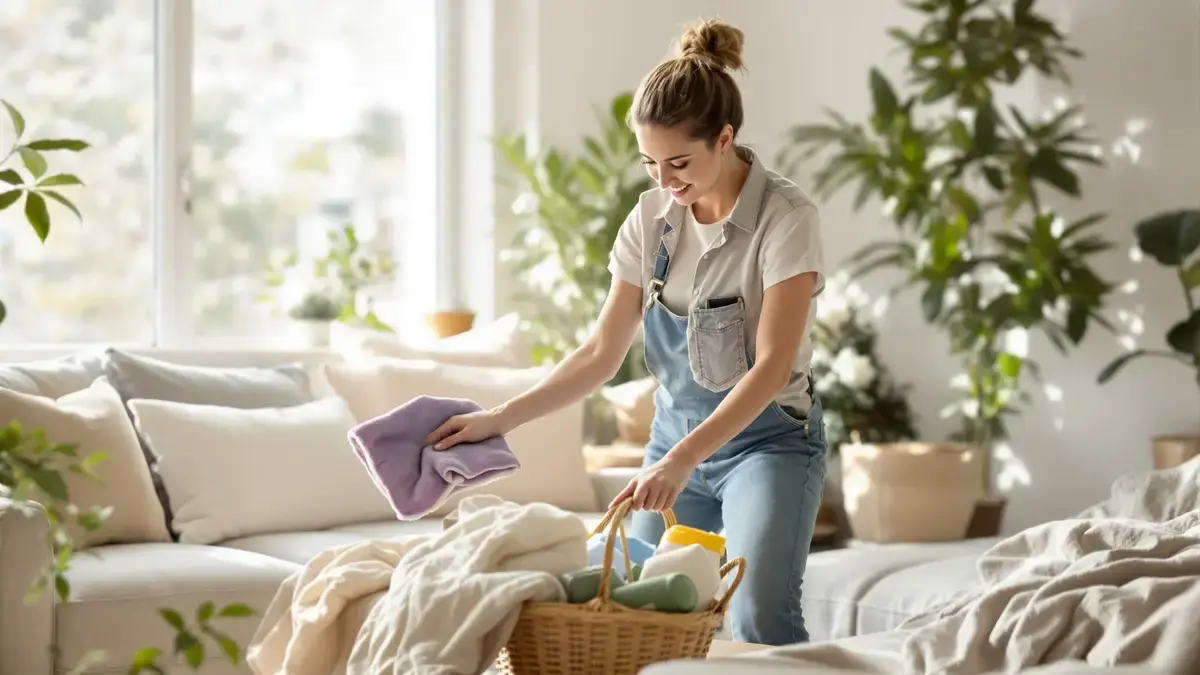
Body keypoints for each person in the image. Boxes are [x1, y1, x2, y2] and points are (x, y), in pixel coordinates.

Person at [424, 17, 827, 646]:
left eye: (679, 163)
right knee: (636, 611)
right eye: (649, 164)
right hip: (673, 444)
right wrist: (497, 419)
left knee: (758, 617)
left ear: (725, 139)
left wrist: (681, 461)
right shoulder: (651, 218)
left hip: (766, 446)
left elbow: (773, 367)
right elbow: (599, 352)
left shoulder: (786, 217)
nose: (664, 182)